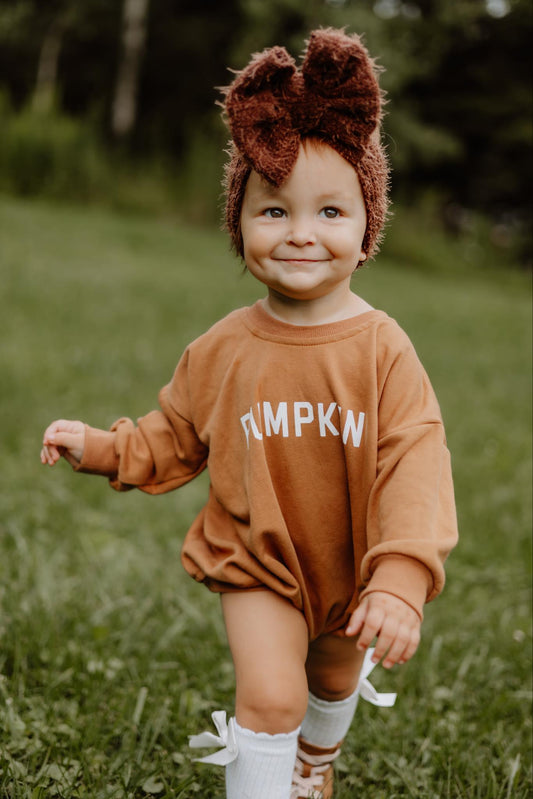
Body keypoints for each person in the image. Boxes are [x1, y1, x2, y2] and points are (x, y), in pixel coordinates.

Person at [41, 28, 458, 799]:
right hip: (257, 559)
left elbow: (414, 460)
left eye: (330, 210)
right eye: (273, 211)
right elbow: (174, 433)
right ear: (239, 221)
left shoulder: (381, 350)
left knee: (330, 679)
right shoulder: (224, 347)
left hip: (352, 565)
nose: (300, 232)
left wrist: (398, 577)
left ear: (367, 224)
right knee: (271, 696)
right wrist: (103, 446)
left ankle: (315, 762)